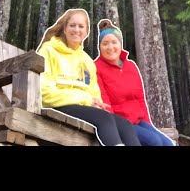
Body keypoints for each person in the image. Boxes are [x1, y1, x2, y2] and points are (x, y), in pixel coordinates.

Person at [37, 9, 141, 146]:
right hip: (56, 106)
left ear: (86, 32)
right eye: (72, 25)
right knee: (104, 119)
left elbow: (95, 96)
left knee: (126, 125)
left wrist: (97, 104)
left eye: (81, 26)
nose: (76, 30)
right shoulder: (49, 50)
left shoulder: (86, 61)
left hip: (83, 109)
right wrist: (86, 99)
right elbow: (44, 93)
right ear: (64, 28)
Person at [94, 19, 175, 146]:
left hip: (138, 120)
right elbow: (104, 103)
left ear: (120, 44)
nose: (110, 47)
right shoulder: (96, 68)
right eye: (105, 43)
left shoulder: (131, 66)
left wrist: (148, 125)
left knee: (168, 143)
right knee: (154, 142)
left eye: (114, 42)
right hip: (120, 122)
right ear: (99, 47)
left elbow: (140, 98)